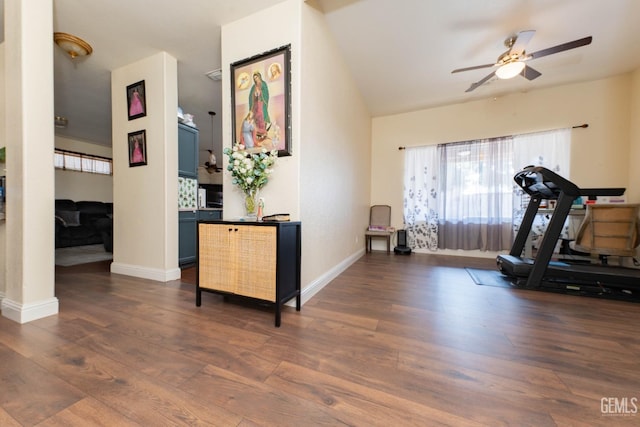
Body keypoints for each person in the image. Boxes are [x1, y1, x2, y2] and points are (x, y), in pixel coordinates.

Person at [248, 71, 270, 140]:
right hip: (256, 104)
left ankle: (263, 132)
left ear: (259, 77)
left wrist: (260, 92)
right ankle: (257, 132)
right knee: (256, 117)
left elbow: (266, 92)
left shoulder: (263, 84)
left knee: (262, 116)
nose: (255, 79)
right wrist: (254, 94)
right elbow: (250, 96)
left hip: (261, 103)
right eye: (254, 78)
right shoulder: (253, 87)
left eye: (256, 77)